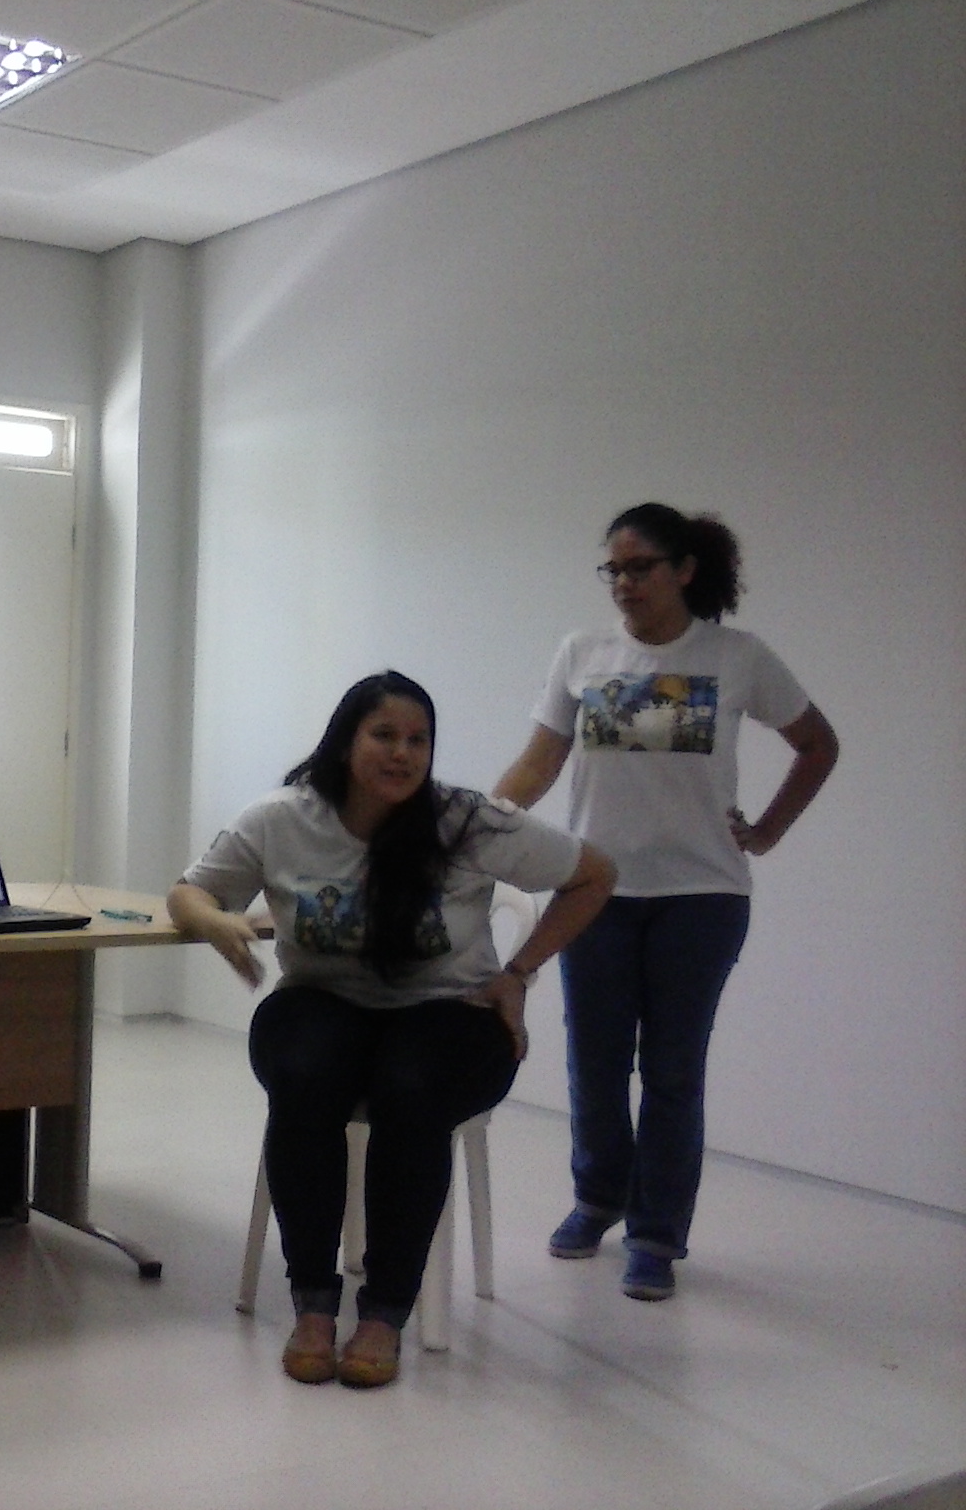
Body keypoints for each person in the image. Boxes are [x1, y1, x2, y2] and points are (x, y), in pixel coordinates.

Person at [171, 672, 614, 1387]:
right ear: (346, 741)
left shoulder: (466, 820)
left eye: (418, 740)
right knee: (306, 1076)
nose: (403, 753)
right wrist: (216, 920)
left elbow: (594, 874)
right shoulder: (283, 818)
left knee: (410, 1088)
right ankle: (314, 1302)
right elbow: (188, 890)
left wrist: (519, 973)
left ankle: (385, 1311)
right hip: (322, 1000)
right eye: (384, 735)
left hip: (452, 1013)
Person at [495, 504, 838, 1301]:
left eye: (640, 567)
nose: (624, 583)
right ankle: (597, 1199)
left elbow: (818, 744)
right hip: (595, 893)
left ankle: (655, 1235)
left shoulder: (737, 656)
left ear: (684, 570)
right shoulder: (582, 653)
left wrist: (768, 832)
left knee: (673, 1072)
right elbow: (539, 763)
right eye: (613, 569)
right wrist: (476, 824)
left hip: (702, 897)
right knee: (595, 1062)